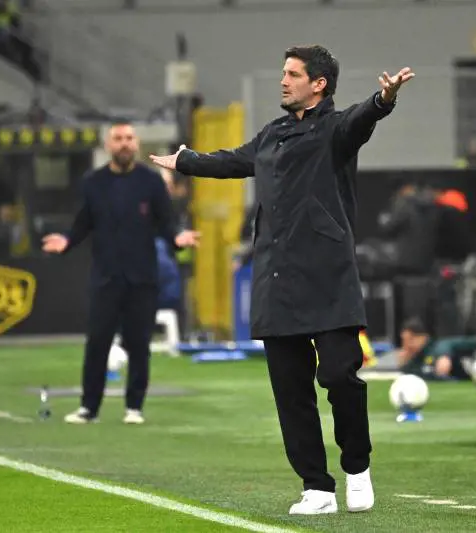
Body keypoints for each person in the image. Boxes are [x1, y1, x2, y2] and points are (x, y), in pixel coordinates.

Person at [151, 45, 415, 515]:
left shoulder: (336, 129)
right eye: (284, 73)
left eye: (293, 74)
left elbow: (362, 119)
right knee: (291, 393)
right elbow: (234, 161)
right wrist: (187, 161)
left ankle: (357, 468)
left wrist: (384, 100)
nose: (284, 80)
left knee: (339, 376)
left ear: (319, 84)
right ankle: (317, 488)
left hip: (328, 277)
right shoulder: (272, 134)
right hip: (276, 279)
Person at [42, 123, 199, 425]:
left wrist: (177, 238)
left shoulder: (151, 182)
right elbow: (82, 223)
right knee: (97, 343)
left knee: (139, 344)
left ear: (136, 143)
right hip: (106, 277)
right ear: (108, 145)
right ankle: (89, 408)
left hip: (142, 277)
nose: (124, 144)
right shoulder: (93, 183)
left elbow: (166, 223)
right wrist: (67, 241)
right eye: (118, 139)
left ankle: (134, 407)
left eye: (129, 138)